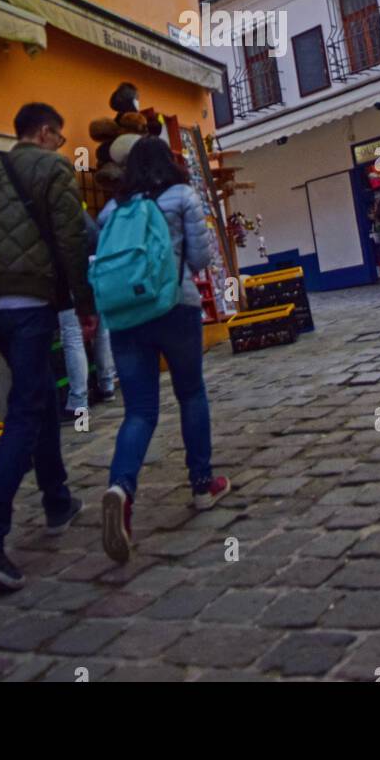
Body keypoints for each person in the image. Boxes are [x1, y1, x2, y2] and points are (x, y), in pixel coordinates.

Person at [0, 102, 92, 592]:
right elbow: (71, 240)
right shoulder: (53, 168)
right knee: (26, 409)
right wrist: (84, 304)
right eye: (60, 137)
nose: (61, 146)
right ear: (46, 132)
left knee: (41, 393)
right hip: (30, 300)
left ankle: (57, 500)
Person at [96, 137, 229, 564]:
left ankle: (121, 488)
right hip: (175, 307)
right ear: (168, 162)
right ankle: (202, 484)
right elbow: (202, 259)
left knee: (138, 411)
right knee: (190, 393)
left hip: (126, 317)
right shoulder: (182, 196)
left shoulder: (112, 210)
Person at [59, 212, 115, 422]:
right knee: (102, 331)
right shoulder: (85, 218)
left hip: (72, 280)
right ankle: (107, 384)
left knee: (72, 336)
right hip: (97, 273)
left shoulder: (59, 217)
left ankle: (78, 401)